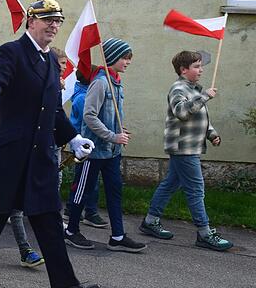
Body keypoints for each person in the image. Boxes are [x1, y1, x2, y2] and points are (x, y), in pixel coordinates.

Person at [0, 0, 98, 288]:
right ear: (31, 20)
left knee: (49, 217)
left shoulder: (52, 62)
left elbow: (52, 110)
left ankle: (65, 285)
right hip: (9, 155)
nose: (54, 26)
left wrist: (73, 138)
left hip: (38, 157)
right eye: (48, 20)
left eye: (58, 21)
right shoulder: (12, 52)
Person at [140, 51, 233, 251]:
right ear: (184, 70)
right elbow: (182, 112)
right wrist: (204, 96)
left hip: (191, 146)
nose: (201, 70)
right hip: (183, 147)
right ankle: (205, 233)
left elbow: (201, 118)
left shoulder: (194, 89)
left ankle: (150, 221)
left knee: (170, 184)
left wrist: (212, 133)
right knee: (196, 189)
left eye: (201, 66)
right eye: (197, 66)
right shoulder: (178, 88)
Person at [64, 38, 146, 253]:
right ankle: (71, 230)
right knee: (82, 191)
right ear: (111, 57)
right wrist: (112, 135)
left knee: (115, 191)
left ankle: (117, 236)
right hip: (94, 150)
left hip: (112, 152)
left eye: (129, 58)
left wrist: (120, 130)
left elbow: (109, 115)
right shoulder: (100, 82)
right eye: (124, 58)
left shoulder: (116, 82)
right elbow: (89, 116)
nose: (128, 62)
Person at [65, 69, 105, 227]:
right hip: (82, 142)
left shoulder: (85, 94)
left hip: (87, 141)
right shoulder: (83, 98)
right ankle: (87, 211)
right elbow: (89, 119)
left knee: (87, 178)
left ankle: (84, 209)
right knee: (85, 179)